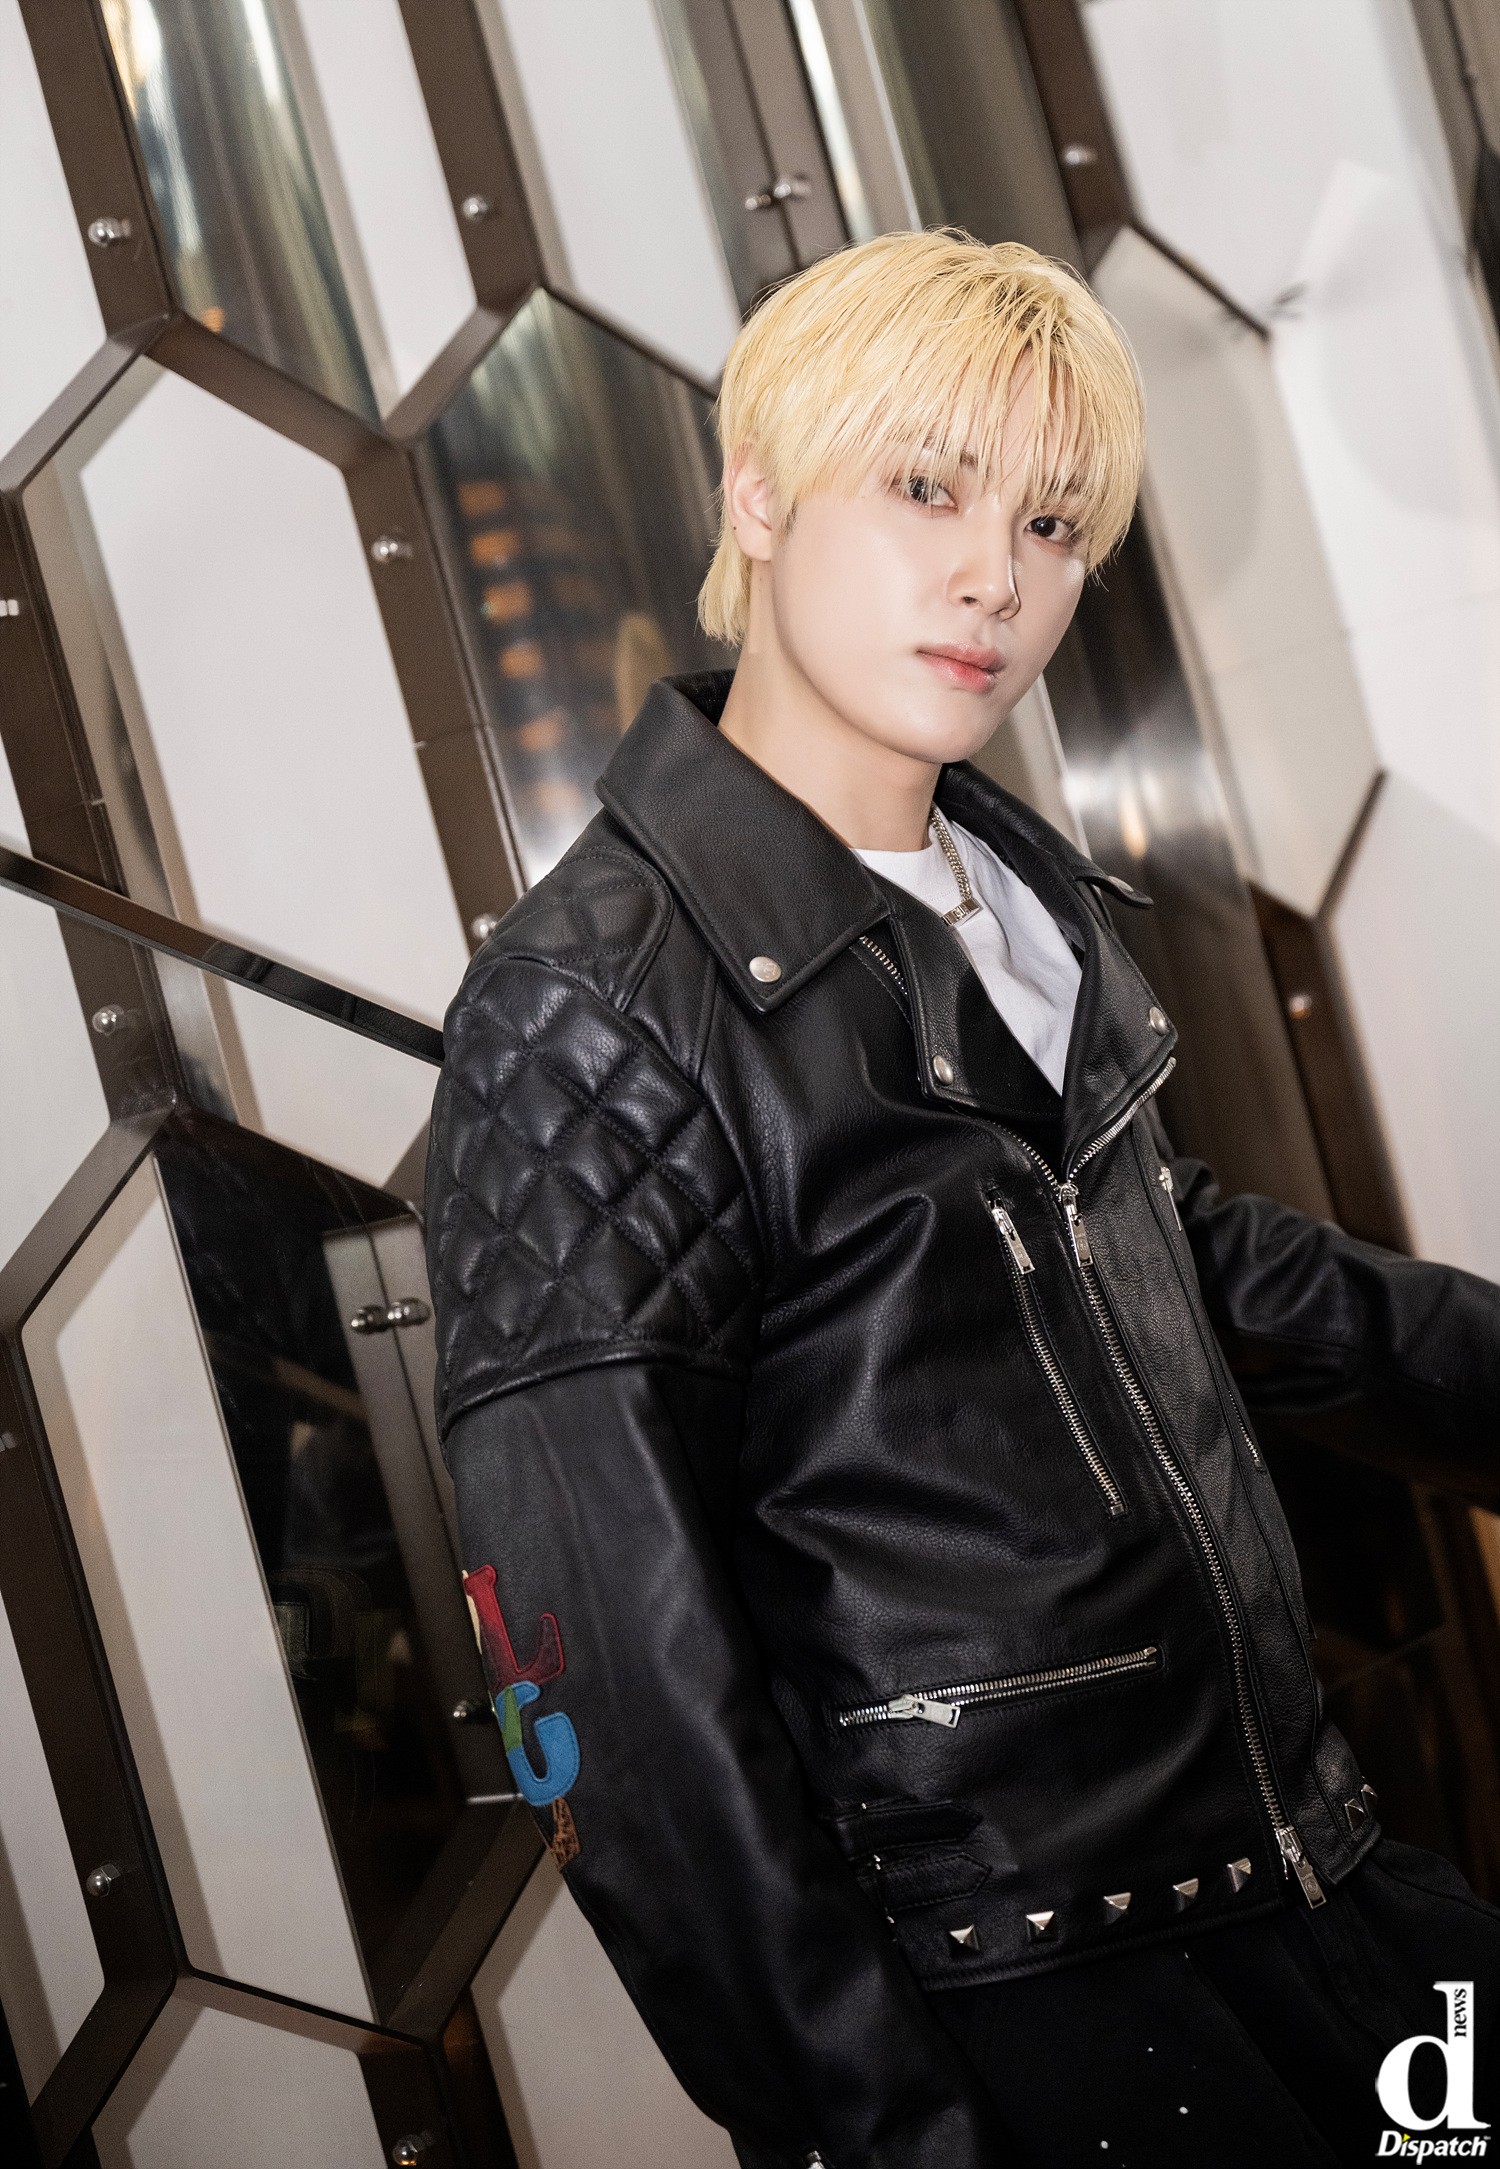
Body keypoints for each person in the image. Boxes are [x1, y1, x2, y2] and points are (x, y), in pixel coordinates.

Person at [425, 230, 1500, 2166]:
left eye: (1053, 522)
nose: (996, 574)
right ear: (760, 493)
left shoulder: (1024, 912)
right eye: (926, 487)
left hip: (1311, 1884)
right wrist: (891, 2132)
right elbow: (616, 1699)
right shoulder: (591, 1003)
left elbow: (1182, 1271)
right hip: (1034, 2010)